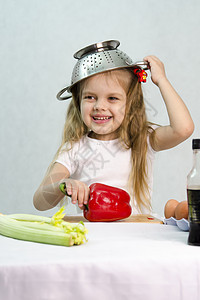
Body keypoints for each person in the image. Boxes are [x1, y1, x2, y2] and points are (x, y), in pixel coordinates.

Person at [33, 41, 194, 215]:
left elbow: (183, 129)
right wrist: (62, 185)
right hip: (93, 238)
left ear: (130, 103)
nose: (99, 106)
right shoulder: (74, 149)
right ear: (78, 101)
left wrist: (162, 80)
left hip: (137, 235)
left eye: (112, 98)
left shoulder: (142, 139)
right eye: (90, 97)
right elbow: (40, 202)